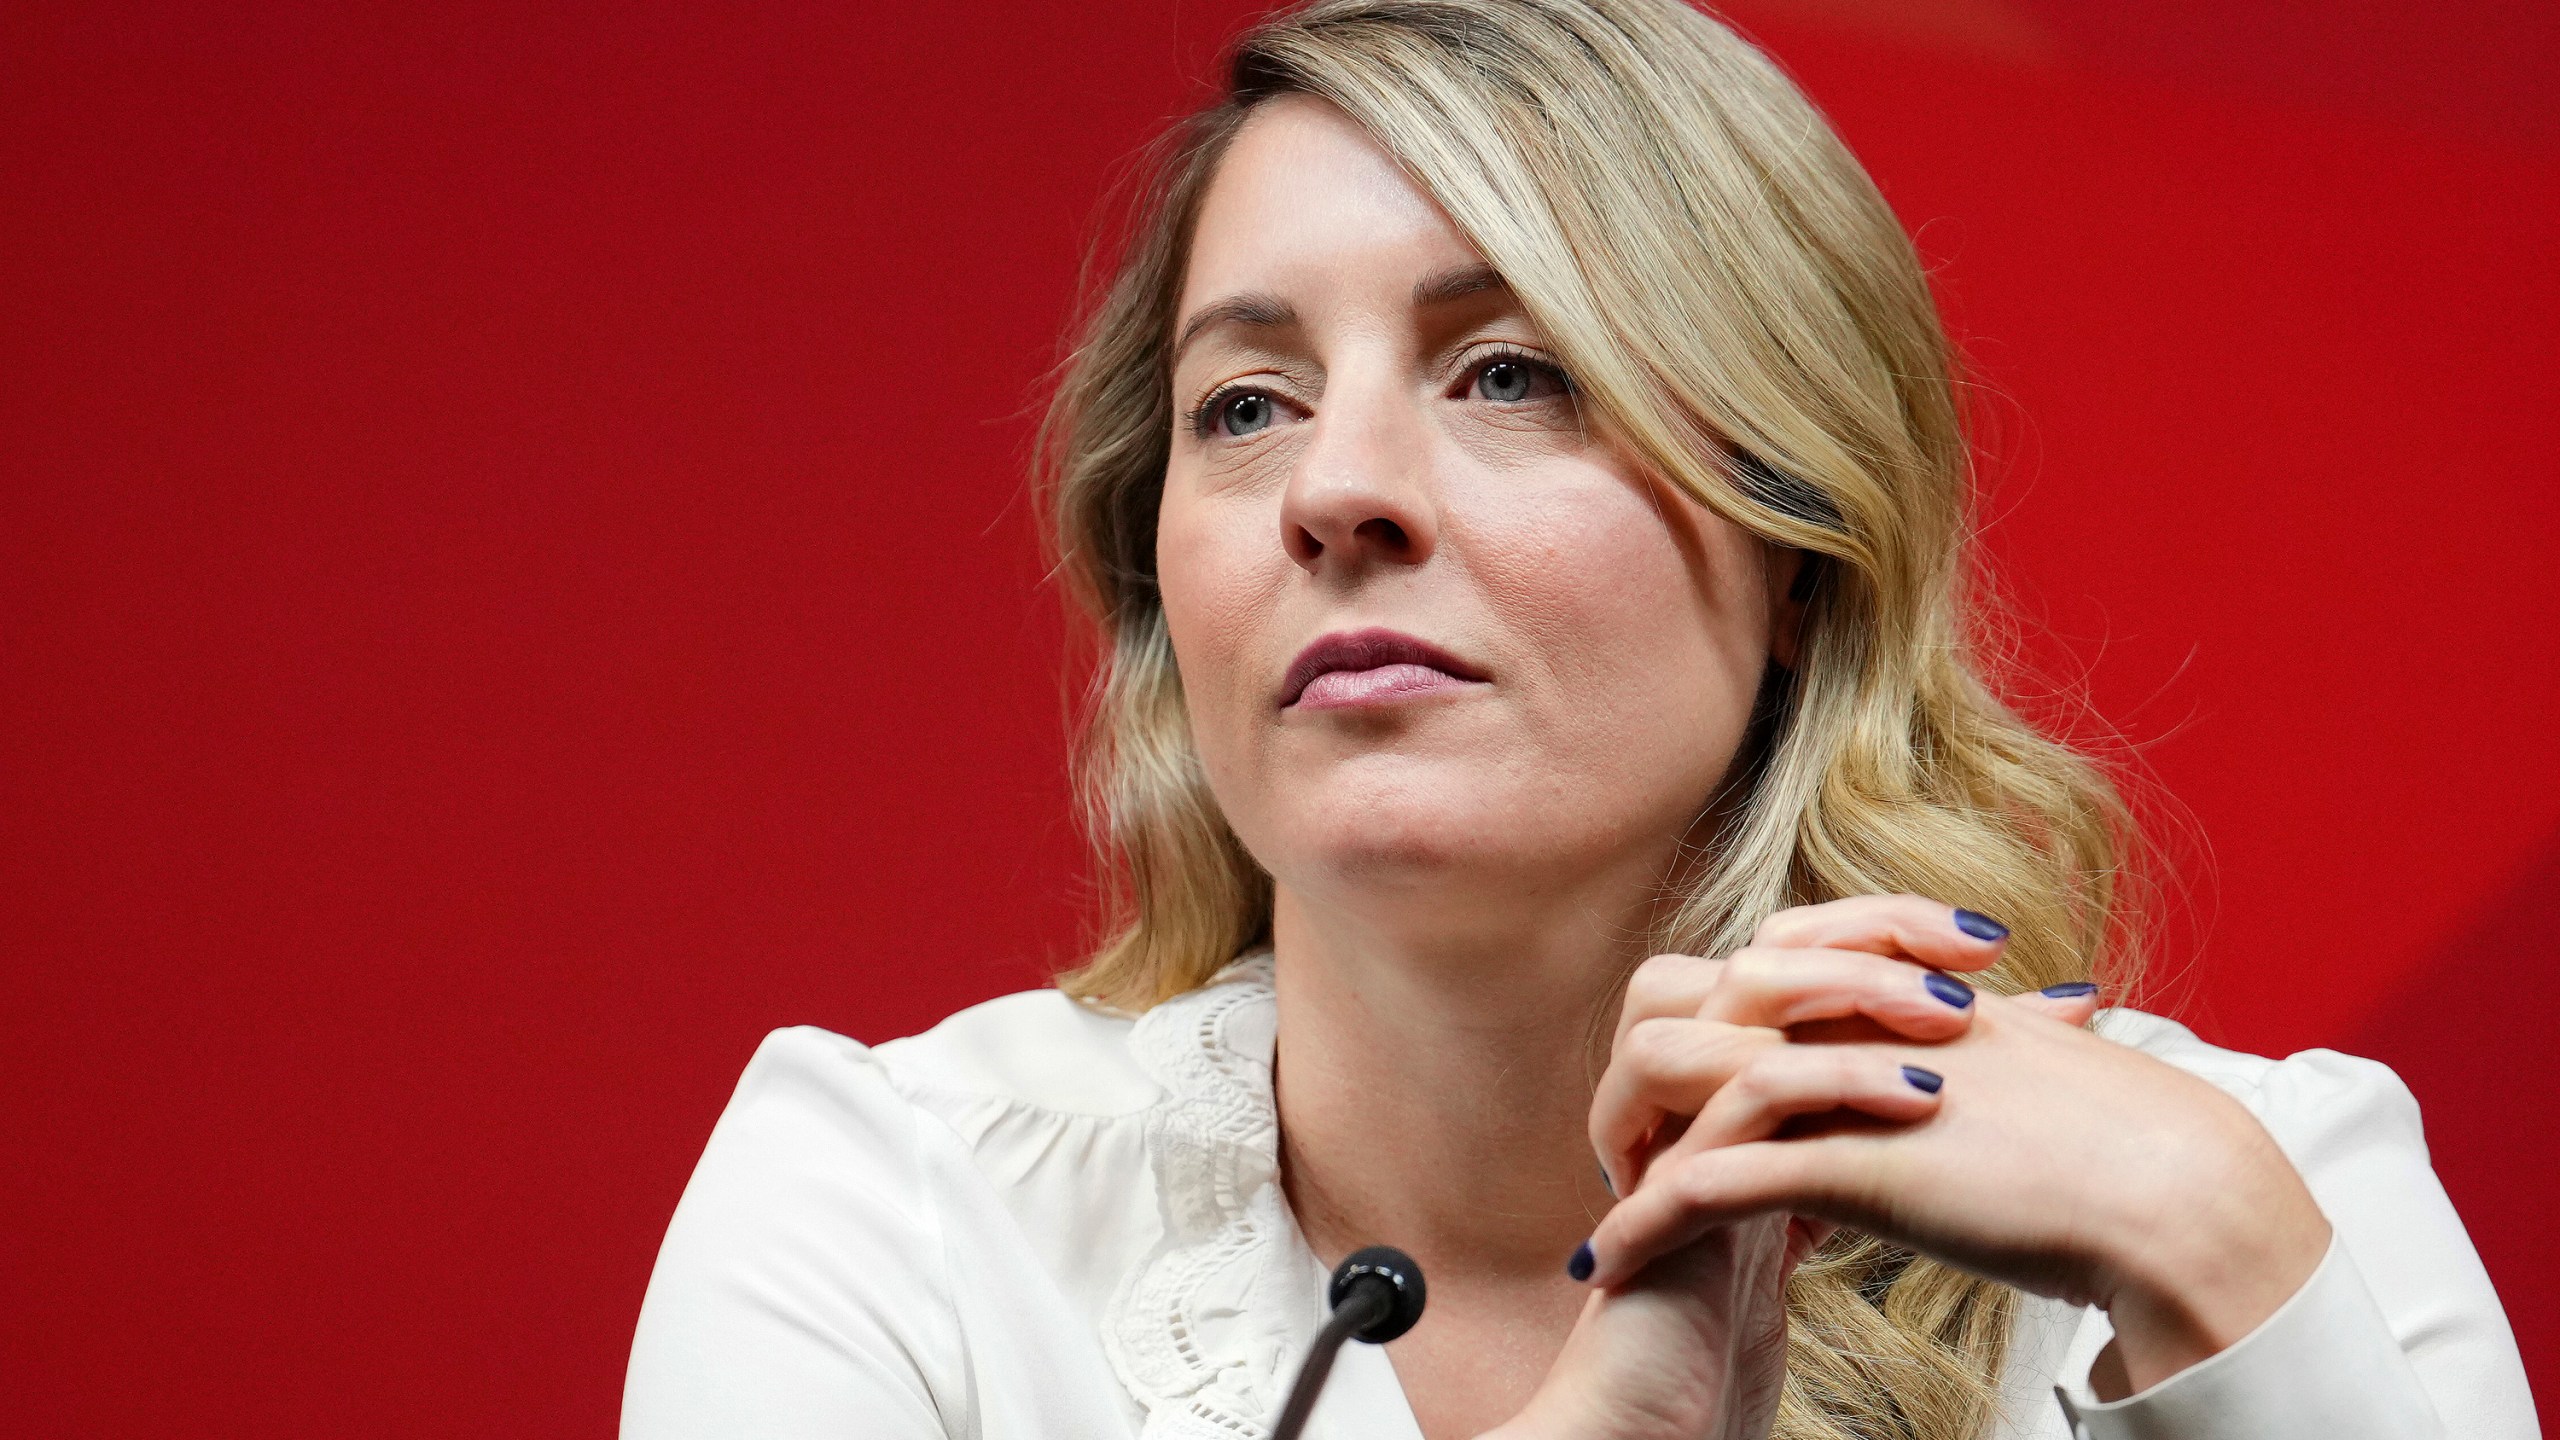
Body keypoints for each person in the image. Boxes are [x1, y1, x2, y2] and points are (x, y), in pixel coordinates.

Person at [620, 2, 2537, 1436]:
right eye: (1247, 403)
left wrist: (2223, 1268)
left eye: (1512, 369)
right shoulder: (899, 1214)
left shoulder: (2275, 1186)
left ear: (1802, 541)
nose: (1334, 491)